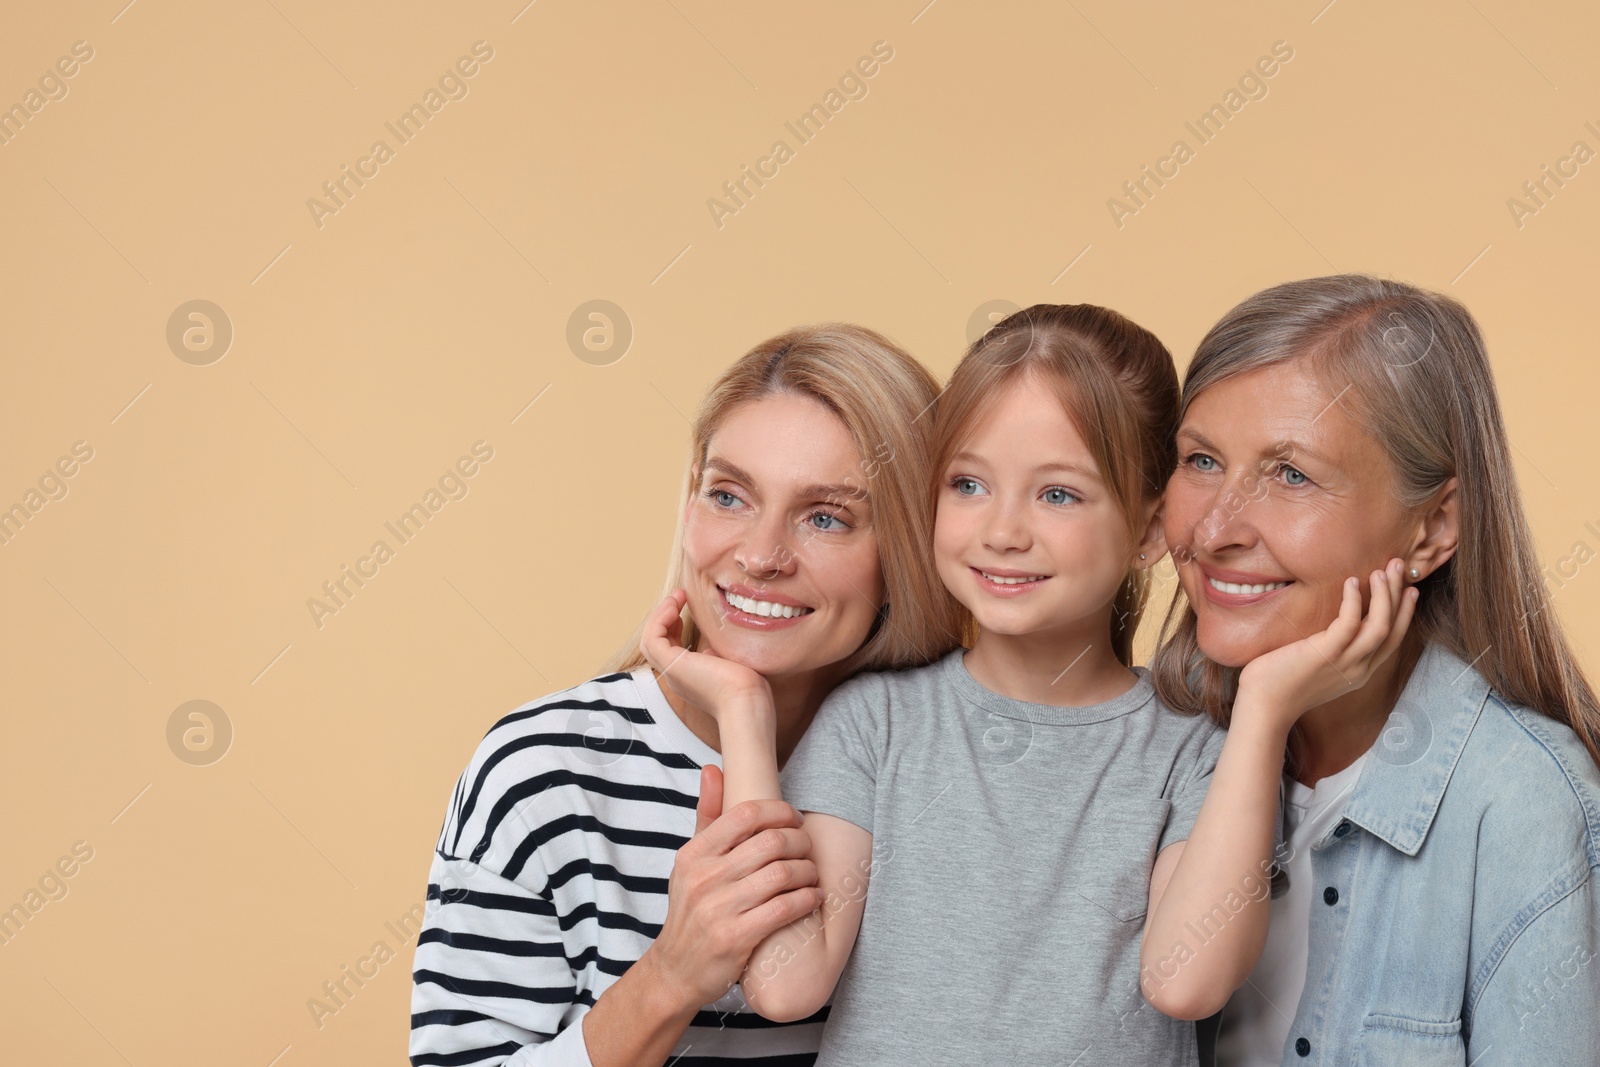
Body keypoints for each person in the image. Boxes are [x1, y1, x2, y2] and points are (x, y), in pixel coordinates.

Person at [644, 303, 1337, 1064]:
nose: (1002, 529)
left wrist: (1265, 711)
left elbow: (1186, 981)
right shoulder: (874, 722)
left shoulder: (1195, 748)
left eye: (1058, 494)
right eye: (969, 483)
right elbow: (783, 980)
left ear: (1149, 529)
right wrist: (744, 708)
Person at [408, 323, 963, 1067]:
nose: (761, 556)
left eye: (826, 516)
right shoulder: (542, 771)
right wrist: (673, 973)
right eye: (730, 496)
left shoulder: (946, 772)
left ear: (906, 550)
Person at [1150, 274, 1600, 1066]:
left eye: (1291, 474)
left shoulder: (1526, 805)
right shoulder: (1156, 743)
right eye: (1201, 459)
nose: (1214, 528)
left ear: (1431, 528)